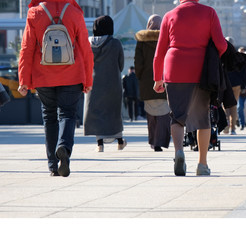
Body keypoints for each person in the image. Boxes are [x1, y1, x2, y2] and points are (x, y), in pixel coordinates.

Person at [18, 0, 94, 177]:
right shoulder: (75, 12)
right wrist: (88, 79)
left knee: (49, 117)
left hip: (42, 75)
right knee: (67, 114)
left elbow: (27, 48)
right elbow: (85, 48)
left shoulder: (35, 13)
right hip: (72, 74)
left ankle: (53, 165)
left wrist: (23, 80)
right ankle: (64, 148)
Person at [153, 0, 227, 176]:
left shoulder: (169, 16)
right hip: (201, 70)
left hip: (174, 69)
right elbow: (221, 45)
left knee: (177, 117)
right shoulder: (209, 13)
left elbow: (160, 51)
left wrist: (157, 79)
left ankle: (179, 152)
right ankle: (202, 164)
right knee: (203, 118)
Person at [83, 15, 127, 153]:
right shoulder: (115, 43)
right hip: (112, 83)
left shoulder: (87, 44)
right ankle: (120, 141)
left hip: (93, 83)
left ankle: (99, 144)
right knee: (113, 112)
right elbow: (121, 65)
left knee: (96, 112)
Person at [135, 14, 171, 152]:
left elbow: (138, 63)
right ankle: (161, 140)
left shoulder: (142, 39)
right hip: (164, 79)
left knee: (151, 113)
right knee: (165, 113)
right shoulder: (167, 37)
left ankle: (153, 141)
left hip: (147, 81)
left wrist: (140, 77)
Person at [223, 36, 241, 135]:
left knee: (225, 105)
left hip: (225, 83)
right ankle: (233, 128)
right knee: (233, 106)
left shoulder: (220, 54)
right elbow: (242, 71)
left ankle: (225, 127)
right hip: (236, 84)